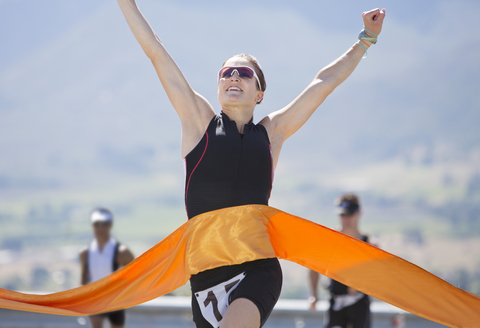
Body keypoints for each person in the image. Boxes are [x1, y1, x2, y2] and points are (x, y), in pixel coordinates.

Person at [116, 1, 386, 327]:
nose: (233, 76)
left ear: (259, 93)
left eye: (244, 74)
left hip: (257, 268)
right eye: (226, 73)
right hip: (206, 277)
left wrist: (366, 39)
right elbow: (156, 52)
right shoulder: (199, 120)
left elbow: (323, 83)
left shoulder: (272, 133)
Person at [309, 193, 376, 328]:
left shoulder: (370, 245)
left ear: (359, 213)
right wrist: (314, 295)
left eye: (349, 214)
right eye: (342, 215)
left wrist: (359, 283)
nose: (346, 219)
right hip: (336, 303)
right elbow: (312, 266)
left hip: (359, 305)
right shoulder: (329, 241)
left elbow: (377, 275)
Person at [79, 208, 135, 328]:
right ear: (92, 226)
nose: (100, 228)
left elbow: (136, 273)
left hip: (116, 301)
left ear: (110, 225)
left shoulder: (122, 252)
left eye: (104, 224)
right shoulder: (85, 253)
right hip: (96, 300)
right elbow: (84, 280)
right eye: (96, 224)